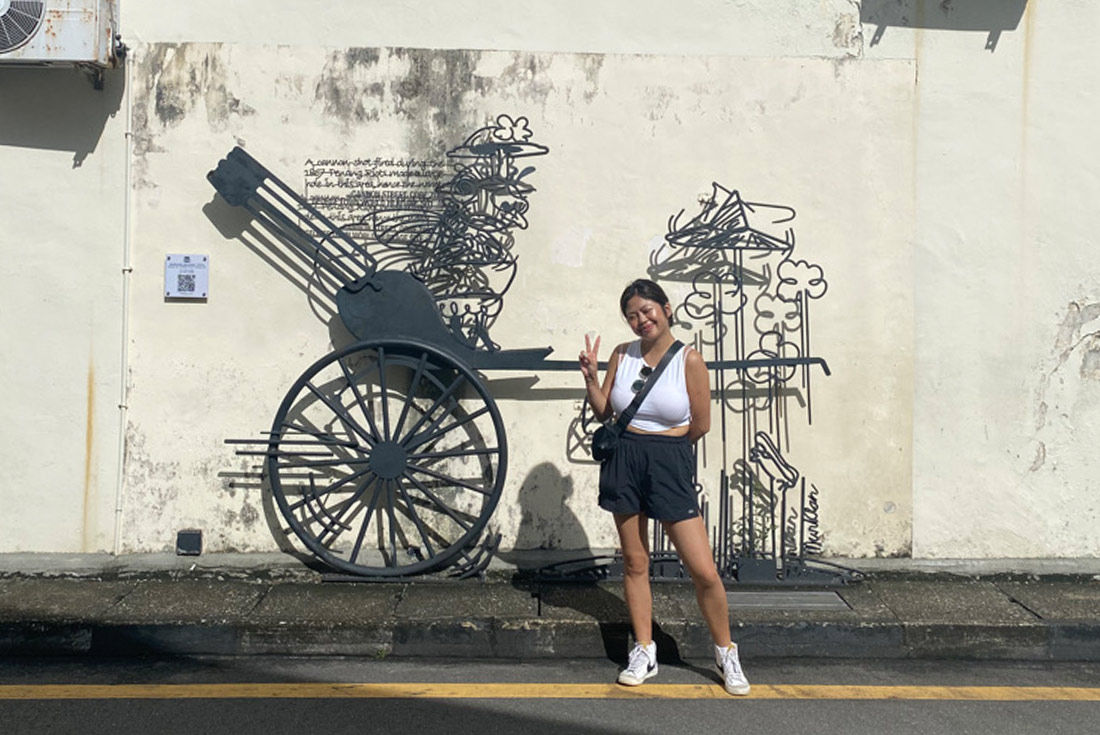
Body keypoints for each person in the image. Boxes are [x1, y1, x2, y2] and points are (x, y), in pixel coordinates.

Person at [578, 278, 750, 696]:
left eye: (647, 310)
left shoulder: (690, 361)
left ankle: (726, 651)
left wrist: (663, 446)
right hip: (625, 458)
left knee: (703, 570)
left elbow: (700, 425)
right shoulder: (622, 353)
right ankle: (644, 649)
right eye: (632, 315)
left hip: (668, 461)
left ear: (666, 308)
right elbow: (606, 413)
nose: (641, 320)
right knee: (635, 563)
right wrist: (591, 379)